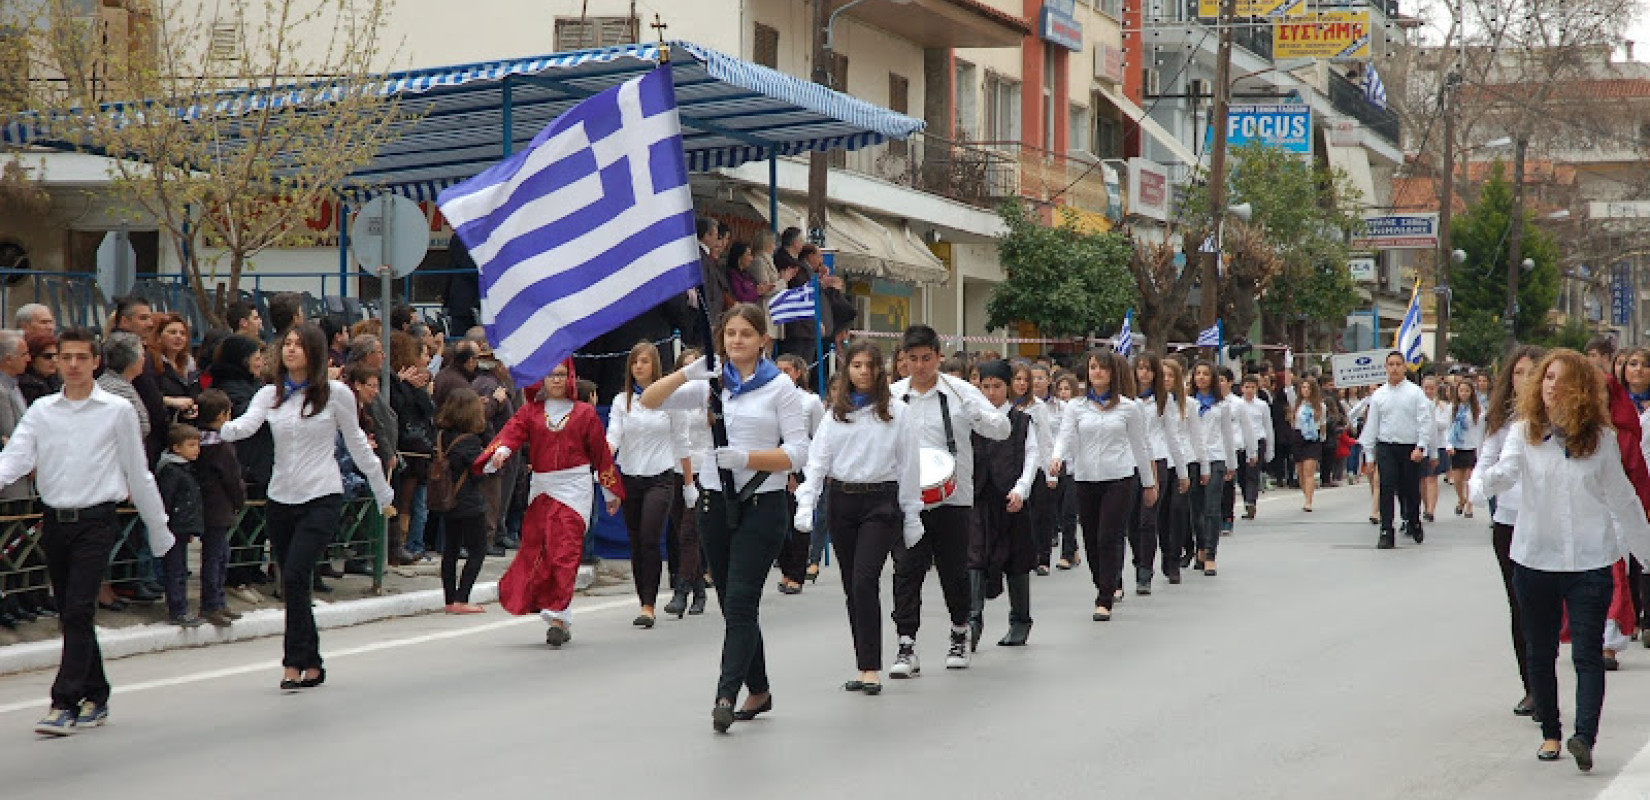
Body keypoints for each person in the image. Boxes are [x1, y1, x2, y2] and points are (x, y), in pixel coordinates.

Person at [1471, 349, 1650, 771]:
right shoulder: (1523, 433)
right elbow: (1505, 473)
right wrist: (1484, 482)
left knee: (1587, 653)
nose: (1552, 385)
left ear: (1581, 390)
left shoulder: (1602, 441)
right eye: (1547, 378)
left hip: (1590, 560)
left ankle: (1584, 736)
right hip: (1536, 559)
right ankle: (1550, 732)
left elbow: (1623, 501)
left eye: (1562, 379)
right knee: (1541, 650)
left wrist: (1648, 556)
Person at [640, 303, 810, 733]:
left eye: (746, 334)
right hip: (715, 504)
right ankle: (760, 688)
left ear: (763, 341)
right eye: (730, 333)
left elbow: (798, 452)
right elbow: (648, 399)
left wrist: (748, 458)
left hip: (762, 504)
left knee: (739, 601)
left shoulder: (781, 389)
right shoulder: (713, 384)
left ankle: (725, 694)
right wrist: (689, 372)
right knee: (734, 605)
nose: (737, 341)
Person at [0, 327, 175, 736]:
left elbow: (138, 470)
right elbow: (14, 459)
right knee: (70, 612)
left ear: (96, 361)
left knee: (79, 609)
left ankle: (65, 701)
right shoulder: (42, 410)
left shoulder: (116, 410)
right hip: (55, 521)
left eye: (82, 357)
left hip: (97, 521)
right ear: (57, 361)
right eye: (67, 357)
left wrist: (158, 526)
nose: (74, 365)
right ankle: (97, 690)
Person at [219, 324, 391, 690]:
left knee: (297, 574)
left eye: (299, 345)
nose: (290, 350)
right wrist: (216, 429)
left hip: (322, 495)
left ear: (314, 353)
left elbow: (358, 443)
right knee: (291, 582)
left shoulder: (336, 394)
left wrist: (381, 490)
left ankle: (293, 662)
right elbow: (246, 427)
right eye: (287, 344)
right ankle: (310, 661)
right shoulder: (269, 394)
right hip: (280, 498)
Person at [794, 341, 920, 694]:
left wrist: (912, 514)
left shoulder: (897, 412)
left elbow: (909, 465)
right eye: (857, 365)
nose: (864, 372)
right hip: (843, 502)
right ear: (847, 370)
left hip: (880, 502)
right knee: (852, 586)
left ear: (881, 370)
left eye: (871, 365)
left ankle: (873, 670)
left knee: (866, 579)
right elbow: (818, 460)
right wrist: (807, 502)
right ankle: (864, 664)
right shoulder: (836, 411)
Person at [887, 324, 1009, 675]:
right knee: (906, 571)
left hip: (954, 496)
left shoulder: (961, 392)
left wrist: (979, 415)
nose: (921, 366)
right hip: (909, 498)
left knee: (954, 571)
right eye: (913, 359)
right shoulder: (893, 396)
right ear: (903, 360)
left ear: (939, 357)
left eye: (927, 358)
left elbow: (1002, 429)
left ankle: (960, 631)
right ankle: (906, 644)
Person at [482, 359, 623, 648]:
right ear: (542, 379)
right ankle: (559, 612)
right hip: (543, 487)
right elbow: (511, 434)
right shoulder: (531, 412)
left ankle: (558, 615)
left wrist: (610, 492)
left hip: (575, 487)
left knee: (567, 550)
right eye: (551, 375)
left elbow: (600, 454)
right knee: (540, 551)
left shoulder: (584, 413)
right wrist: (502, 452)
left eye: (562, 375)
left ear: (570, 378)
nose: (557, 380)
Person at [1050, 349, 1156, 620]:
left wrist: (1149, 483)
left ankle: (1105, 597)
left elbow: (1140, 447)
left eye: (1103, 368)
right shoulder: (1076, 406)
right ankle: (1102, 581)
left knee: (1108, 536)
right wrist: (1057, 457)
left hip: (1118, 477)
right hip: (1085, 477)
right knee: (1091, 539)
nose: (1097, 372)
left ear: (1113, 373)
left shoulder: (1128, 408)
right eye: (1093, 367)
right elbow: (1064, 435)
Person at [1472, 346, 1542, 718]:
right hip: (1509, 522)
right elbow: (1486, 463)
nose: (1525, 379)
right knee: (1519, 606)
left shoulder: (1555, 418)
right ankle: (1531, 688)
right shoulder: (1500, 419)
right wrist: (1476, 488)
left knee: (1542, 608)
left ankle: (1547, 683)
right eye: (1518, 373)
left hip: (1544, 522)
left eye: (1533, 372)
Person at [608, 342, 689, 626]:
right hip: (630, 477)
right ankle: (643, 597)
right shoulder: (622, 401)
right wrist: (603, 464)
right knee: (635, 542)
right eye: (634, 362)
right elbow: (613, 438)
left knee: (649, 536)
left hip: (661, 476)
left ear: (655, 365)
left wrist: (688, 483)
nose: (638, 367)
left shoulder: (671, 398)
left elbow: (681, 441)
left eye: (644, 361)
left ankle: (649, 604)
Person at [968, 359, 1040, 645]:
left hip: (1011, 498)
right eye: (984, 387)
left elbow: (1033, 456)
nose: (990, 393)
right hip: (978, 496)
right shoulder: (972, 421)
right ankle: (973, 620)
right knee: (973, 556)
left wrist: (1021, 489)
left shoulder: (1022, 421)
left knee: (1016, 559)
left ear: (1008, 387)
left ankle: (1020, 620)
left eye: (996, 386)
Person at [1130, 353, 1195, 593]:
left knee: (1150, 519)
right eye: (1140, 368)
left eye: (1148, 369)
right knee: (1131, 522)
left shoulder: (1164, 400)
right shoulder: (1126, 399)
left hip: (1157, 462)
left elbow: (1172, 436)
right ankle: (1139, 559)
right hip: (1130, 463)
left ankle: (1146, 572)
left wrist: (1183, 471)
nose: (1144, 373)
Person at [1358, 352, 1433, 549]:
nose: (1394, 368)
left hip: (1409, 448)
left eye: (1398, 364)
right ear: (1386, 367)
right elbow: (1371, 426)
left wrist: (1421, 446)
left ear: (1404, 367)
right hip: (1386, 447)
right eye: (1390, 364)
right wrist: (1370, 457)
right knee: (1386, 487)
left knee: (1409, 489)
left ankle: (1414, 520)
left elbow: (1424, 422)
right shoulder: (1379, 395)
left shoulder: (1415, 393)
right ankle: (1386, 530)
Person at [1186, 360, 1247, 576]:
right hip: (1193, 459)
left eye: (1205, 374)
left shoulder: (1222, 406)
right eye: (1198, 374)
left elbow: (1228, 437)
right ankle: (1200, 546)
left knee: (1212, 508)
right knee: (1196, 509)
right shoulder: (1187, 403)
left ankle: (1211, 553)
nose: (1201, 377)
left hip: (1216, 458)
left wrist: (1232, 463)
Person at [431, 389, 488, 614]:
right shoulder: (471, 441)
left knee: (451, 550)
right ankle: (462, 598)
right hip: (469, 501)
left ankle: (449, 598)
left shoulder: (441, 436)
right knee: (478, 549)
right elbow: (478, 473)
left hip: (446, 499)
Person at [192, 389, 244, 627]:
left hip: (199, 504)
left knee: (213, 556)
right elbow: (232, 478)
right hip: (219, 506)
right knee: (217, 556)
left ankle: (216, 602)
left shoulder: (194, 441)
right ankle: (213, 602)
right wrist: (239, 500)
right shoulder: (222, 445)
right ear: (223, 415)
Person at [664, 348, 710, 618]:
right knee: (678, 529)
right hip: (676, 467)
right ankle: (699, 589)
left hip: (703, 467)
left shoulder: (708, 397)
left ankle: (682, 590)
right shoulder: (676, 398)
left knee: (689, 532)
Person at [774, 353, 824, 594]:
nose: (782, 375)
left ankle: (797, 574)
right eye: (778, 370)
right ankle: (785, 567)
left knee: (798, 521)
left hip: (801, 466)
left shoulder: (810, 401)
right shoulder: (770, 399)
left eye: (787, 370)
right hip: (774, 464)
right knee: (778, 522)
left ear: (797, 373)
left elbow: (819, 436)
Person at [389, 331, 436, 564]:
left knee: (416, 502)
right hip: (409, 448)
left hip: (419, 448)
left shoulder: (414, 382)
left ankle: (410, 544)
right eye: (424, 354)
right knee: (405, 502)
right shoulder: (399, 383)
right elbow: (408, 408)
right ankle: (403, 544)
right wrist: (411, 387)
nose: (427, 359)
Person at [155, 423, 206, 628]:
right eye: (191, 445)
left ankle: (181, 607)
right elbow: (168, 500)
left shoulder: (185, 469)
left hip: (182, 527)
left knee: (180, 569)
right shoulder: (172, 471)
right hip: (173, 527)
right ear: (177, 448)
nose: (197, 450)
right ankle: (177, 608)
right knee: (175, 569)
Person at [1160, 358, 1203, 581]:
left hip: (1185, 462)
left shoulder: (1189, 404)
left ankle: (1175, 559)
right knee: (1161, 514)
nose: (1166, 379)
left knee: (1178, 510)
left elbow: (1196, 436)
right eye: (1163, 375)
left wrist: (1202, 465)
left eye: (1170, 376)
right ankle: (1166, 553)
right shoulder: (1152, 403)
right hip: (1160, 462)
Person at [1234, 374, 1274, 521]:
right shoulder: (1237, 404)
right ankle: (1247, 501)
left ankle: (1251, 501)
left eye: (1252, 387)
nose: (1249, 390)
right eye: (1247, 387)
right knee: (1242, 476)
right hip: (1240, 443)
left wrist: (1270, 448)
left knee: (1253, 473)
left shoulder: (1262, 406)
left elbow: (1268, 426)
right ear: (1242, 389)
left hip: (1258, 441)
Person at [1446, 379, 1484, 518]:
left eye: (1467, 391)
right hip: (1457, 446)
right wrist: (1449, 444)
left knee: (1469, 478)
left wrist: (1480, 447)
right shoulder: (1452, 408)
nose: (1464, 393)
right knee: (1457, 479)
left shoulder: (1477, 409)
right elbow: (1448, 427)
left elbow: (1480, 428)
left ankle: (1469, 505)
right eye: (1461, 390)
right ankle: (1461, 499)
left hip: (1471, 446)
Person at [1291, 377, 1327, 513]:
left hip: (1313, 438)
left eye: (1308, 388)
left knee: (1309, 471)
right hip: (1299, 436)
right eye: (1304, 387)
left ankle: (1309, 501)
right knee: (1300, 472)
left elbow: (1323, 424)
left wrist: (1322, 439)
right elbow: (1288, 388)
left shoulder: (1320, 406)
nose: (1306, 390)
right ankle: (1306, 494)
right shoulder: (1297, 404)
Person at [1421, 375, 1449, 523]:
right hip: (1422, 446)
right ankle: (1426, 506)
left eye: (1431, 388)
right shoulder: (1419, 404)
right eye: (1426, 388)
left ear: (1436, 389)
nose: (1428, 391)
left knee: (1432, 478)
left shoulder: (1442, 406)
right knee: (1422, 480)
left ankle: (1431, 509)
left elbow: (1444, 425)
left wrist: (1431, 419)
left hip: (1438, 445)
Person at [20, 331, 61, 405]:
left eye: (57, 356)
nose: (54, 360)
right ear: (32, 358)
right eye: (48, 356)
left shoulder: (57, 380)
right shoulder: (28, 386)